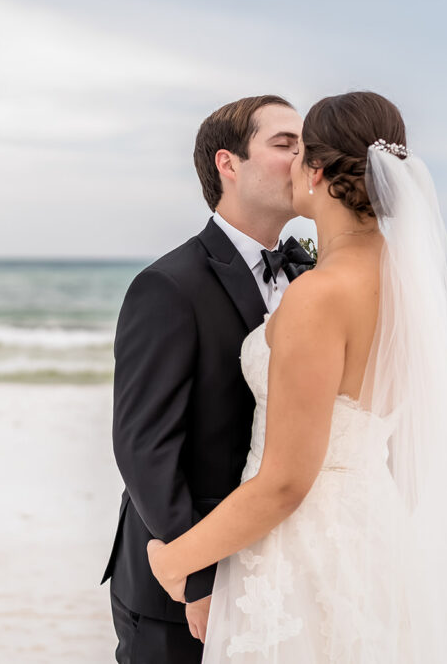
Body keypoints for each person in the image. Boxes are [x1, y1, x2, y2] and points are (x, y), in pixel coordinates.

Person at [147, 92, 447, 663]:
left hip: (301, 547)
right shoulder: (408, 281)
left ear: (318, 170)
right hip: (375, 532)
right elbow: (406, 451)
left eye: (298, 149)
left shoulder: (321, 294)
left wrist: (174, 559)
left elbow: (286, 482)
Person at [101, 94, 314, 664]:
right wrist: (196, 574)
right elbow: (143, 445)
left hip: (279, 567)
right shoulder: (168, 286)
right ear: (229, 164)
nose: (302, 158)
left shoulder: (315, 281)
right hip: (181, 585)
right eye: (284, 144)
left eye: (306, 145)